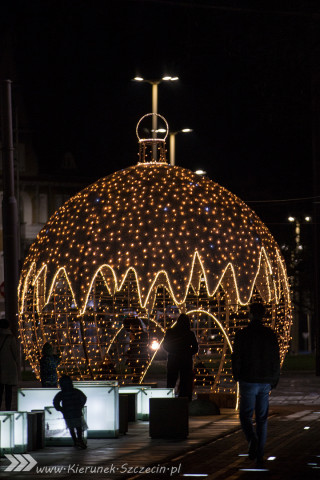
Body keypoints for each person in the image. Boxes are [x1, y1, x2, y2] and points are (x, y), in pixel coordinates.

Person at [232, 302, 280, 466]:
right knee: (262, 419)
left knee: (245, 416)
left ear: (250, 314)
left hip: (248, 379)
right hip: (265, 380)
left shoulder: (242, 334)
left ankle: (252, 439)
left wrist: (237, 375)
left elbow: (236, 357)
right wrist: (274, 379)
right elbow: (275, 358)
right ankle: (260, 454)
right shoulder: (270, 334)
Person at [162, 313, 198, 401]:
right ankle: (184, 399)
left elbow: (165, 345)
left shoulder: (170, 332)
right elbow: (195, 348)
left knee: (171, 381)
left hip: (173, 358)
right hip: (186, 360)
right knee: (185, 381)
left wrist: (172, 351)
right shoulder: (189, 334)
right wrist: (188, 353)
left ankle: (168, 399)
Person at [53, 374, 87, 449]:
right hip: (76, 412)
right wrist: (80, 405)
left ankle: (75, 441)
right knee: (79, 428)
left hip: (67, 413)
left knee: (71, 428)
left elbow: (55, 401)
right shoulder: (76, 391)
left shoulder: (61, 393)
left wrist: (60, 409)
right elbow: (83, 397)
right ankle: (80, 440)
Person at [0, 319, 18, 410]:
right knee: (8, 391)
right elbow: (15, 353)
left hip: (0, 368)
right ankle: (8, 408)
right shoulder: (10, 338)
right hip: (9, 367)